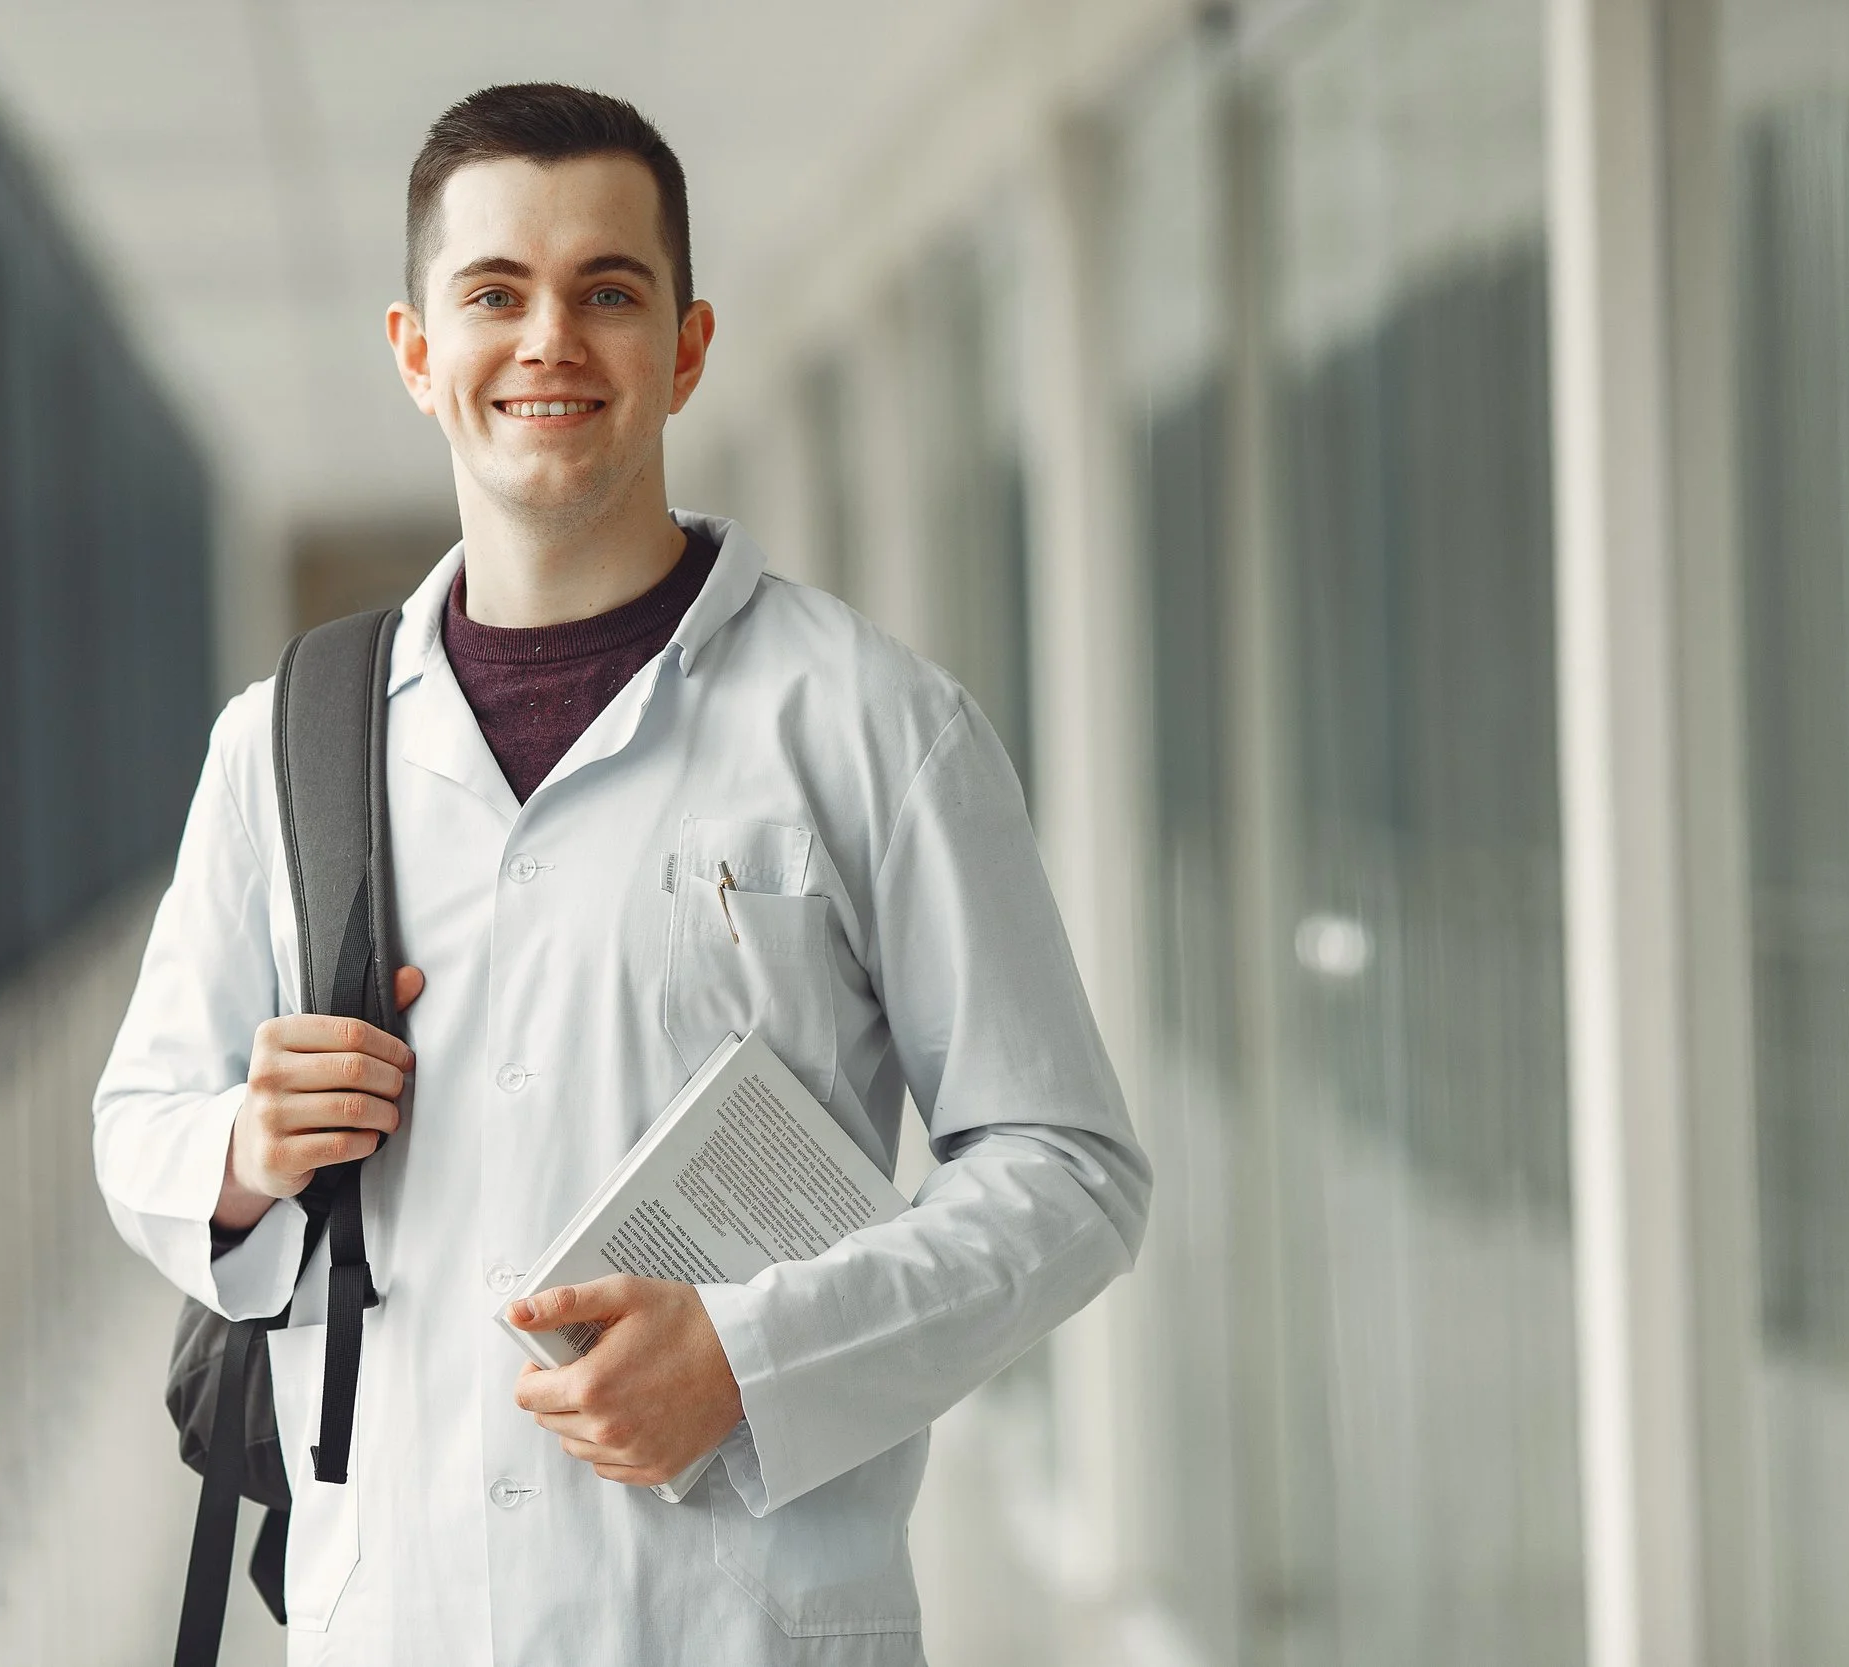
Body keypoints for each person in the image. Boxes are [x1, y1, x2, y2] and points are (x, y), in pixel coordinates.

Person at [92, 82, 1149, 1667]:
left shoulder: (867, 721)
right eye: (494, 295)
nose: (549, 342)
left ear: (689, 344)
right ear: (413, 350)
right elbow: (140, 1126)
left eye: (607, 291)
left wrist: (755, 1356)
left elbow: (1069, 1168)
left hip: (743, 1624)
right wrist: (245, 1150)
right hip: (400, 1621)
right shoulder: (285, 744)